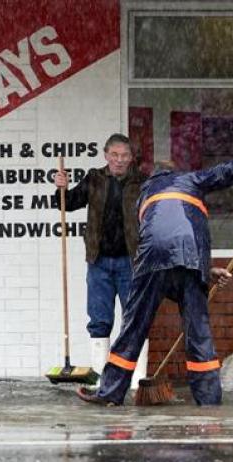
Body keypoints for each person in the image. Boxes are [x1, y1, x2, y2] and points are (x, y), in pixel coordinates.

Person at [77, 160, 233, 406]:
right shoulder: (192, 180)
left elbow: (161, 244)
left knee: (133, 327)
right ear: (176, 173)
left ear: (152, 176)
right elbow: (231, 170)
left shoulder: (144, 195)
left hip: (152, 259)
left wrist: (207, 270)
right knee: (198, 333)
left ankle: (110, 394)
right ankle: (209, 400)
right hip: (191, 259)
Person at [54, 133, 149, 386]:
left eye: (125, 155)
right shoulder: (94, 179)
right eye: (115, 155)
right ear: (106, 155)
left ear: (131, 158)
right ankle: (101, 380)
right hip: (99, 262)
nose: (119, 160)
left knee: (135, 318)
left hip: (132, 262)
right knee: (99, 321)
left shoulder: (141, 182)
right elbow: (68, 204)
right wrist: (61, 188)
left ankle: (137, 380)